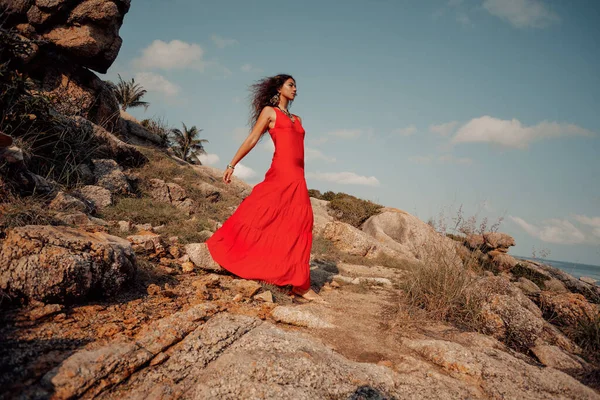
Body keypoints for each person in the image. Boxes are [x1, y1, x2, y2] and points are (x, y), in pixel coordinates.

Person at [204, 74, 323, 302]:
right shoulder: (270, 112)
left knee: (301, 222)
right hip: (281, 172)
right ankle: (232, 247)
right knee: (260, 210)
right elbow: (252, 139)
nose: (295, 89)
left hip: (298, 176)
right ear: (279, 88)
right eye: (291, 85)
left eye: (296, 85)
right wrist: (232, 164)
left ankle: (299, 284)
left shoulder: (297, 119)